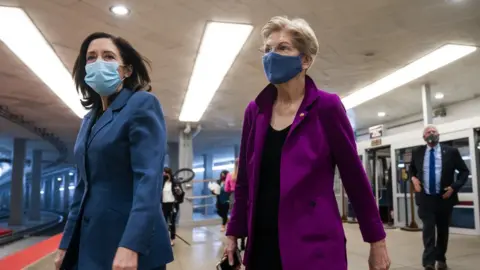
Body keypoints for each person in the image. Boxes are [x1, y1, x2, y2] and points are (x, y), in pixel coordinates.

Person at [225, 16, 390, 270]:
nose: (271, 56)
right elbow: (245, 181)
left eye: (282, 48)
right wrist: (233, 233)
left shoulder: (327, 107)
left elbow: (354, 177)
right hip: (262, 247)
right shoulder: (255, 111)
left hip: (314, 247)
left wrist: (376, 241)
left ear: (305, 60)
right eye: (267, 49)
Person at [54, 32, 173, 270]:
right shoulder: (89, 120)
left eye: (108, 56)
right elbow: (83, 187)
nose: (98, 62)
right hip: (89, 242)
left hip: (126, 245)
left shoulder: (141, 104)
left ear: (126, 70)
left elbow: (148, 180)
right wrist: (66, 243)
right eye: (91, 57)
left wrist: (132, 245)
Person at [409, 125, 469, 270]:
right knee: (428, 230)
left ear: (439, 135)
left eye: (434, 131)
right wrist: (413, 179)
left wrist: (454, 187)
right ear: (424, 137)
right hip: (426, 198)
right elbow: (411, 168)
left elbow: (464, 172)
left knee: (443, 230)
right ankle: (428, 262)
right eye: (428, 132)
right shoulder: (417, 152)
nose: (431, 133)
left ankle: (441, 258)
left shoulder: (451, 152)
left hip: (444, 198)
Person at [225, 159, 246, 250]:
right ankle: (243, 241)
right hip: (245, 196)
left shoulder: (230, 175)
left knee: (234, 217)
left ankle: (234, 240)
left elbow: (226, 189)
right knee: (245, 217)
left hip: (234, 196)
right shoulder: (246, 174)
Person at [162, 167, 185, 246]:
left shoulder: (175, 182)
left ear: (169, 174)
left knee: (172, 222)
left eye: (165, 173)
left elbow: (180, 193)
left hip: (173, 204)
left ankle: (172, 239)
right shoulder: (162, 183)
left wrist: (178, 190)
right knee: (164, 222)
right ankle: (165, 238)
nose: (164, 175)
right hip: (164, 205)